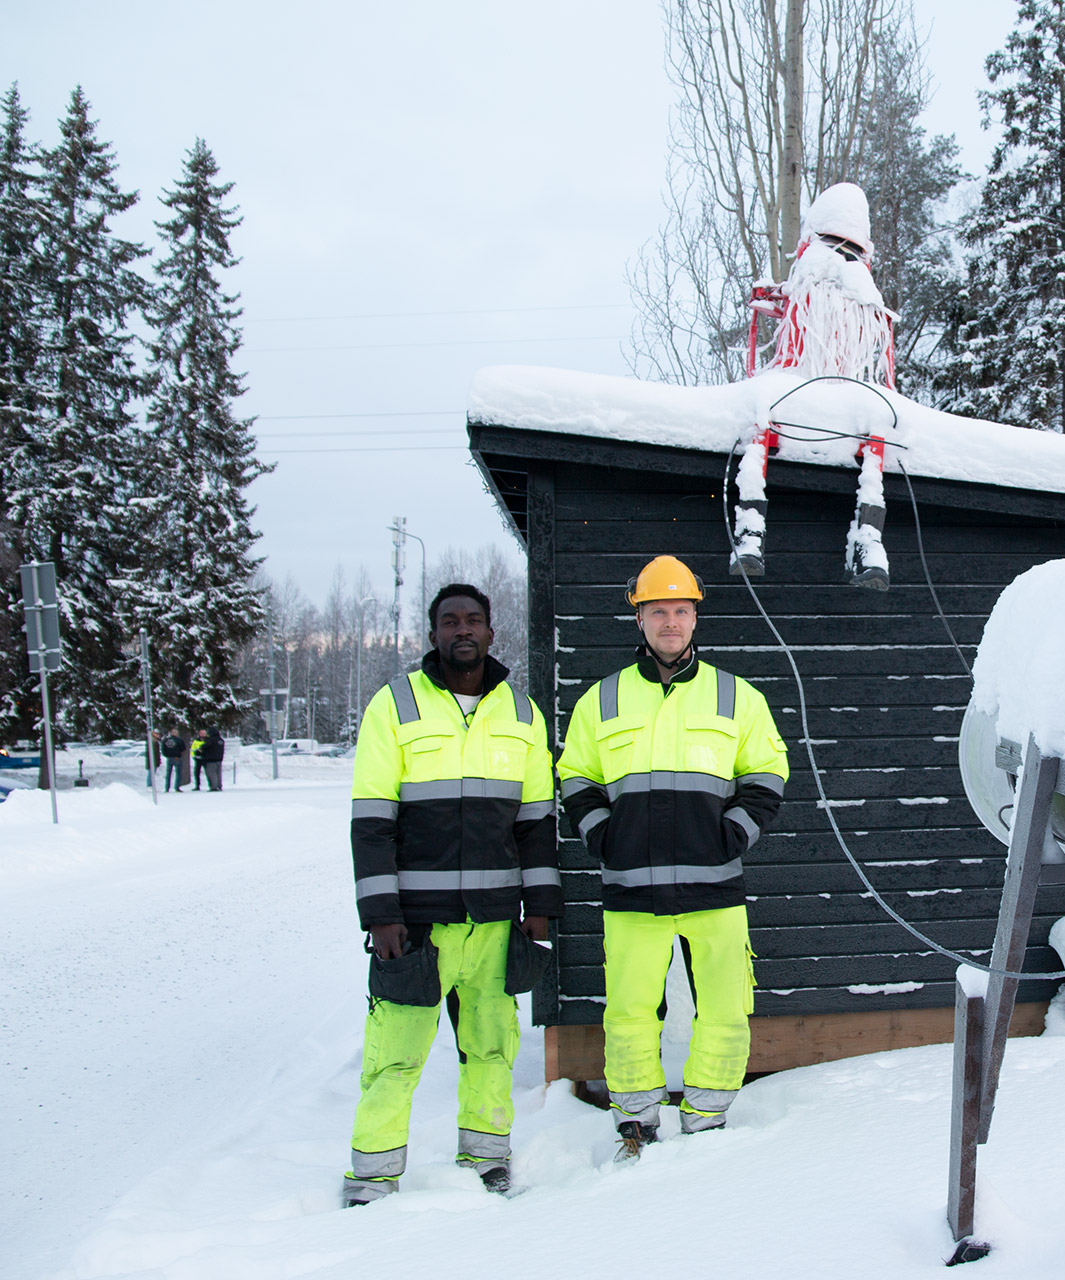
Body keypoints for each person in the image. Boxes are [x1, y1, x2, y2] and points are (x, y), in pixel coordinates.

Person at [557, 556, 787, 1158]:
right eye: (658, 610)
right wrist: (602, 836)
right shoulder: (601, 701)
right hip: (631, 889)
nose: (671, 622)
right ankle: (636, 1120)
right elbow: (575, 775)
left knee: (727, 1009)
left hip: (715, 887)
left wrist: (733, 833)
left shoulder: (735, 696)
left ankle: (708, 1117)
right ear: (638, 617)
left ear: (694, 618)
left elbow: (767, 770)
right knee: (630, 1012)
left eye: (681, 610)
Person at [342, 583, 559, 1206]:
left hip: (494, 926)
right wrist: (381, 916)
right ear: (433, 632)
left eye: (474, 620)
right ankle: (371, 1179)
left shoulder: (522, 714)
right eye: (449, 621)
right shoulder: (395, 706)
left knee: (491, 1051)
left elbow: (537, 824)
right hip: (416, 930)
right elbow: (372, 821)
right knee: (394, 1059)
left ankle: (487, 1162)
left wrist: (539, 911)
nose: (462, 629)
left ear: (492, 631)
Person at [733, 181, 897, 590]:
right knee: (759, 414)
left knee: (878, 423)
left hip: (846, 395)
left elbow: (883, 366)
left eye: (850, 250)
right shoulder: (807, 290)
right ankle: (750, 531)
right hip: (793, 388)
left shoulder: (858, 299)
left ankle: (868, 539)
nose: (841, 257)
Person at [160, 726, 188, 793]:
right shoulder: (179, 740)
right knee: (178, 773)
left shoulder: (165, 740)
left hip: (169, 758)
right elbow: (183, 748)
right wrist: (178, 754)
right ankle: (177, 787)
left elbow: (163, 750)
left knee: (168, 774)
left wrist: (167, 755)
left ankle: (167, 788)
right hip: (177, 758)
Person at [199, 726, 226, 791]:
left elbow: (206, 746)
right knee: (218, 774)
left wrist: (202, 748)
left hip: (211, 759)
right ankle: (219, 785)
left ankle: (214, 787)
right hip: (219, 759)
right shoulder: (221, 740)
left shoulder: (211, 740)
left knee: (212, 773)